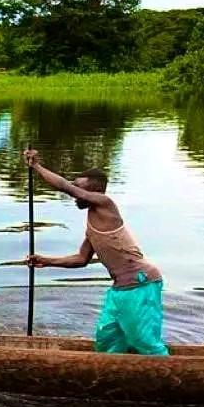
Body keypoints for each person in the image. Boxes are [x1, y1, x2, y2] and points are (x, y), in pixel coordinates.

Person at [23, 149, 168, 356]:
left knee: (144, 341)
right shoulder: (92, 224)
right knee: (107, 340)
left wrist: (36, 166)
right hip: (119, 290)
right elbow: (81, 259)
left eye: (79, 187)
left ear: (96, 191)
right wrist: (46, 261)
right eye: (75, 186)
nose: (75, 193)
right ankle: (113, 370)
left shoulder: (106, 204)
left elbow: (65, 187)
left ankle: (167, 369)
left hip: (141, 284)